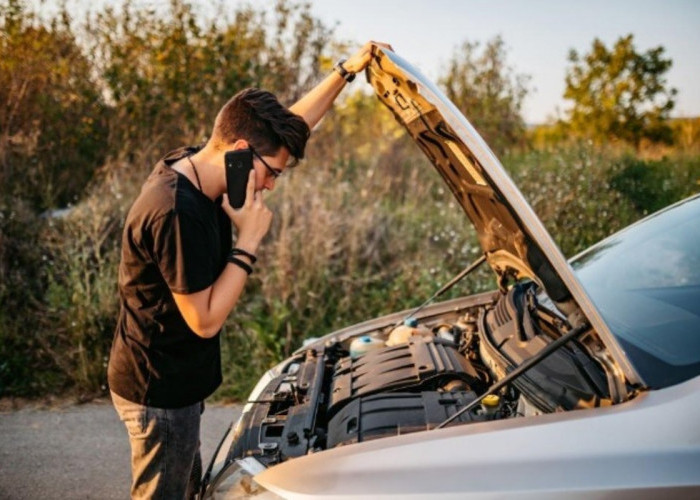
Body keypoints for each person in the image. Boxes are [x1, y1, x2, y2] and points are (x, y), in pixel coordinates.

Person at [107, 41, 391, 499]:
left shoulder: (204, 164)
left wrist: (345, 72)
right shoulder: (176, 212)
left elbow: (291, 128)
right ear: (240, 151)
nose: (273, 185)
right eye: (273, 172)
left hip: (177, 379)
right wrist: (250, 240)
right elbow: (204, 320)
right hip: (159, 390)